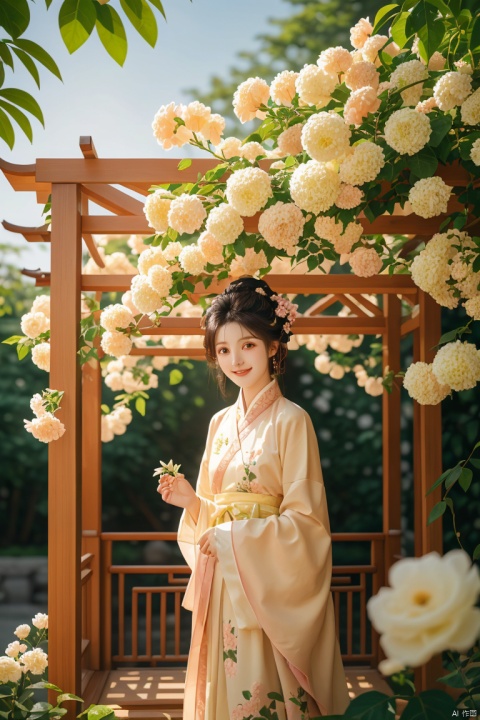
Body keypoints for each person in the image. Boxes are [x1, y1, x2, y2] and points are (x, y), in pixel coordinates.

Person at [157, 276, 350, 719]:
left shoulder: (292, 421)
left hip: (266, 585)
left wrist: (231, 536)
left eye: (246, 345)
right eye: (223, 350)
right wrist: (193, 504)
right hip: (225, 580)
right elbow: (212, 514)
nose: (235, 360)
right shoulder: (219, 424)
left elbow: (307, 524)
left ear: (273, 347)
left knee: (263, 691)